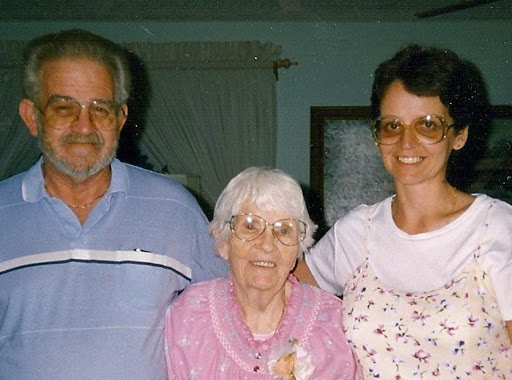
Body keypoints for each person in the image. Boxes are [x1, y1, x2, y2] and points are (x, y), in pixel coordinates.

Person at [0, 29, 227, 379]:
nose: (84, 126)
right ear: (32, 117)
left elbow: (230, 317)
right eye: (63, 108)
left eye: (100, 109)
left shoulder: (174, 209)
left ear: (120, 119)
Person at [296, 45, 512, 378]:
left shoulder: (497, 228)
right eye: (392, 126)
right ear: (376, 136)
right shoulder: (357, 233)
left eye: (427, 125)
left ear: (459, 135)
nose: (406, 143)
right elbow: (279, 300)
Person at [165, 167, 357, 379]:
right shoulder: (189, 314)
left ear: (299, 246)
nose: (267, 245)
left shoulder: (333, 322)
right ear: (223, 242)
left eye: (283, 230)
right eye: (250, 226)